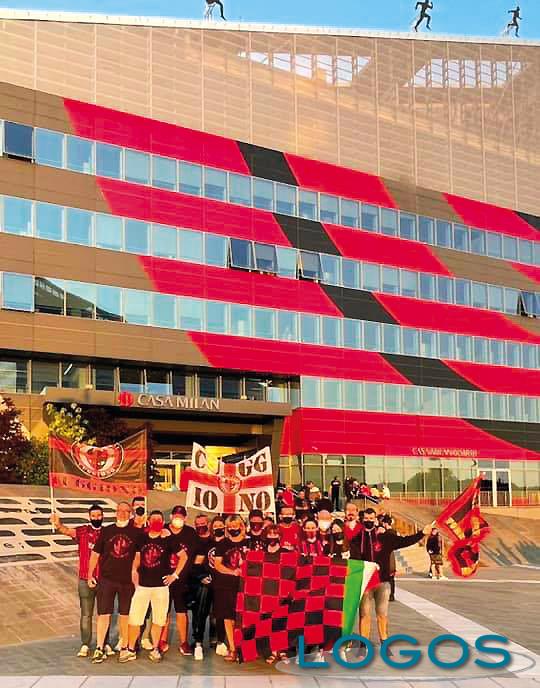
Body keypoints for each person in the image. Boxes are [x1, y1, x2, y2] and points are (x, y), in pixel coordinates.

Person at [350, 508, 435, 653]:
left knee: (382, 614)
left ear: (376, 520)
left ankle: (384, 642)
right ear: (362, 519)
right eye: (366, 518)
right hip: (365, 583)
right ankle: (363, 645)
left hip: (383, 581)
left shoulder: (385, 538)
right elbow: (355, 560)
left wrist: (422, 533)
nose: (369, 521)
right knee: (364, 614)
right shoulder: (357, 539)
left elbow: (404, 541)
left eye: (371, 518)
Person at [123, 510, 188, 663]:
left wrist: (174, 575)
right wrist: (134, 570)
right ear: (149, 521)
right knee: (135, 619)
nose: (156, 521)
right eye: (154, 519)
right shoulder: (142, 538)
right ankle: (130, 649)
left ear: (163, 522)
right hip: (142, 586)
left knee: (159, 620)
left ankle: (155, 648)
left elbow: (183, 556)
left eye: (159, 519)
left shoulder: (168, 538)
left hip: (161, 587)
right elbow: (137, 558)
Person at [50, 503, 114, 658]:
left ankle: (104, 643)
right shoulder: (83, 531)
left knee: (104, 614)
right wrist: (58, 524)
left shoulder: (108, 533)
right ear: (89, 517)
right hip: (85, 578)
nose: (96, 518)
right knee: (86, 614)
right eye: (93, 516)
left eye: (99, 515)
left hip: (104, 579)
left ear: (103, 516)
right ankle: (85, 643)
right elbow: (66, 531)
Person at [88, 501, 140, 664]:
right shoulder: (107, 531)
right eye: (120, 510)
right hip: (107, 579)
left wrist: (135, 575)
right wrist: (90, 574)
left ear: (130, 513)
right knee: (104, 614)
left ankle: (124, 647)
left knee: (125, 615)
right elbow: (95, 554)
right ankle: (99, 647)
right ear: (115, 512)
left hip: (127, 581)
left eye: (126, 511)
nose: (122, 514)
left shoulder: (136, 532)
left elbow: (138, 556)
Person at [213, 515, 249, 662]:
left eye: (236, 525)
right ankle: (233, 648)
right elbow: (217, 564)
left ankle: (244, 648)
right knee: (228, 618)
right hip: (226, 585)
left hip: (246, 586)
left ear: (241, 526)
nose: (234, 528)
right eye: (231, 526)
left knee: (244, 619)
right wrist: (232, 572)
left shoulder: (249, 542)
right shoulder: (223, 544)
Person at [165, 505, 197, 656]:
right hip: (164, 578)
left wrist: (186, 574)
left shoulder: (190, 533)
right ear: (171, 517)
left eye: (181, 517)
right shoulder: (164, 530)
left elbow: (192, 556)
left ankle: (184, 642)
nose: (178, 519)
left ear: (185, 518)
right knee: (163, 611)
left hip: (182, 578)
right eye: (176, 516)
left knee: (181, 611)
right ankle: (162, 640)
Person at [190, 513, 214, 660]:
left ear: (209, 524)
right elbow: (195, 564)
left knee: (216, 613)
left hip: (218, 580)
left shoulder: (216, 539)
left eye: (202, 524)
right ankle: (197, 641)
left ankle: (215, 639)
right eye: (197, 524)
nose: (200, 526)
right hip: (199, 582)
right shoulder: (193, 540)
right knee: (199, 612)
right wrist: (201, 577)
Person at [208, 515, 227, 656]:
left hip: (225, 581)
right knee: (213, 612)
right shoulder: (208, 543)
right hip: (211, 580)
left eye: (221, 526)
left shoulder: (228, 543)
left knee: (223, 613)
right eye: (216, 526)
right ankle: (213, 636)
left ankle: (223, 639)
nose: (218, 528)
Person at [379, 514, 396, 601]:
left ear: (385, 523)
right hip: (391, 556)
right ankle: (391, 594)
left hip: (388, 557)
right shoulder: (393, 532)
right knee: (391, 578)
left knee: (388, 577)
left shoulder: (388, 533)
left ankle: (390, 594)